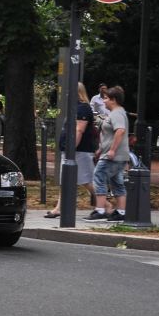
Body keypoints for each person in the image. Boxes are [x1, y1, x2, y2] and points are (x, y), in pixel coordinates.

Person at [45, 82, 97, 218]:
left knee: (87, 181)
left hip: (79, 152)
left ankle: (105, 206)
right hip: (73, 151)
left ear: (77, 93)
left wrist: (71, 149)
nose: (67, 94)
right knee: (66, 180)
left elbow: (79, 130)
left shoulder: (83, 109)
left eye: (70, 92)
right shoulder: (75, 108)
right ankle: (59, 208)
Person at [88, 85, 129, 221]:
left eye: (106, 99)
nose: (103, 101)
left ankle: (100, 210)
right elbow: (110, 133)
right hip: (116, 155)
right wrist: (101, 149)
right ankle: (121, 212)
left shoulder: (117, 114)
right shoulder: (118, 112)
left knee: (98, 177)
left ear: (114, 100)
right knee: (117, 182)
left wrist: (112, 150)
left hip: (113, 156)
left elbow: (120, 131)